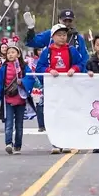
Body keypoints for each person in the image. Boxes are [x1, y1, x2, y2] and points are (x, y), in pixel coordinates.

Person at [36, 24, 85, 154]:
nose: (62, 38)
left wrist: (74, 69)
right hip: (53, 88)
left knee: (67, 115)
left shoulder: (72, 50)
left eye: (64, 35)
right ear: (53, 37)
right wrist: (49, 70)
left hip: (68, 87)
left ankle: (67, 142)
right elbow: (39, 67)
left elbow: (81, 64)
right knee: (54, 115)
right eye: (59, 35)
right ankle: (56, 143)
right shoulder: (47, 52)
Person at [0, 43, 34, 155]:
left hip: (20, 99)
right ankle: (8, 143)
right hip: (8, 99)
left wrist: (23, 82)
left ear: (18, 54)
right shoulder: (3, 68)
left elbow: (30, 78)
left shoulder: (23, 67)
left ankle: (18, 146)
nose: (10, 55)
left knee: (19, 124)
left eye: (13, 52)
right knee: (9, 123)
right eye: (8, 53)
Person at [25, 9, 90, 67]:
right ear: (59, 20)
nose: (67, 24)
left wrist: (79, 71)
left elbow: (85, 58)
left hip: (72, 75)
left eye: (69, 21)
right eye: (65, 21)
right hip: (53, 75)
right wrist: (31, 29)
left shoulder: (78, 38)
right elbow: (32, 42)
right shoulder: (50, 34)